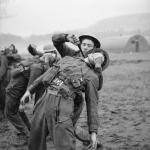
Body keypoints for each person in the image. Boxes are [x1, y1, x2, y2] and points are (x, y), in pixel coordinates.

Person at [19, 50, 108, 150]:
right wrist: (30, 91)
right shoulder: (67, 59)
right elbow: (47, 75)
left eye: (102, 59)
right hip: (45, 98)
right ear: (91, 54)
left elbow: (92, 104)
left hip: (62, 105)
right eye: (98, 54)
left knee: (65, 145)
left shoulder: (92, 77)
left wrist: (93, 132)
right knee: (35, 139)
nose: (99, 58)